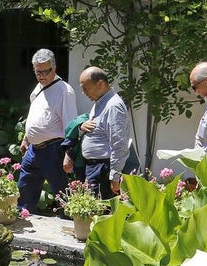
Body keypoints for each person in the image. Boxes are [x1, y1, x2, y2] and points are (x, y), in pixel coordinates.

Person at [18, 49, 76, 213]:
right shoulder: (39, 87)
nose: (42, 76)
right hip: (33, 150)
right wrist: (26, 139)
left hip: (53, 149)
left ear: (54, 68)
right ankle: (24, 216)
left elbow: (71, 125)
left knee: (62, 195)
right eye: (38, 72)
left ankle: (68, 221)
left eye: (46, 71)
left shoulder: (64, 91)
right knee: (24, 189)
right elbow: (35, 115)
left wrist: (69, 154)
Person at [64, 67, 130, 201]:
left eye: (86, 88)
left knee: (100, 209)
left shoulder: (113, 106)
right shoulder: (100, 102)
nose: (83, 93)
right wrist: (82, 126)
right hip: (95, 167)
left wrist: (114, 176)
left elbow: (119, 144)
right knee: (94, 208)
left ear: (100, 84)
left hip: (103, 168)